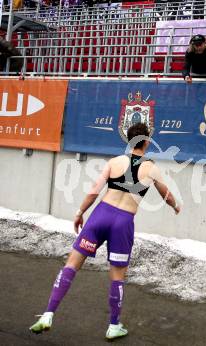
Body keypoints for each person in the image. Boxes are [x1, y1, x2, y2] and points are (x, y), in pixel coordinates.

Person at [29, 122, 181, 340]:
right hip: (123, 221)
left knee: (72, 264)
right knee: (117, 276)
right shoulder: (152, 168)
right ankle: (113, 326)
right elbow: (167, 195)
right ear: (146, 142)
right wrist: (176, 206)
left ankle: (48, 314)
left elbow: (93, 191)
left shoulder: (115, 161)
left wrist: (80, 212)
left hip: (101, 215)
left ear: (129, 141)